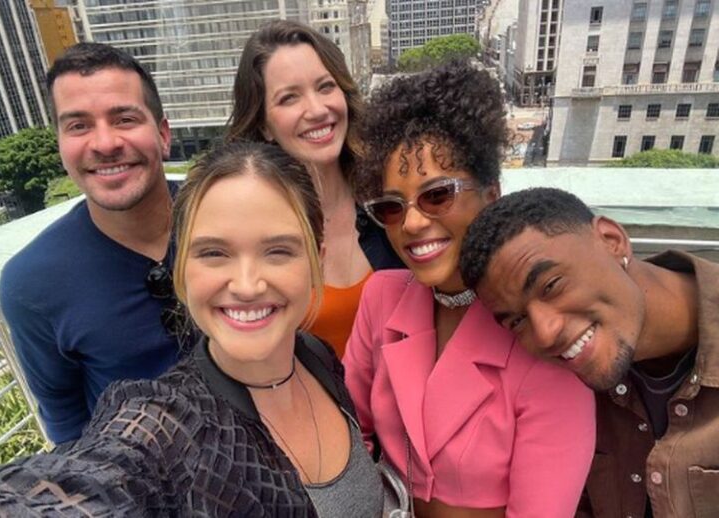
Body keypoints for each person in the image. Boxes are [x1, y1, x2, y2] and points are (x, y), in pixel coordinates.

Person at [0, 141, 385, 517]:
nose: (247, 284)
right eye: (214, 253)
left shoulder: (316, 356)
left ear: (316, 259)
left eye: (278, 251)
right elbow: (96, 478)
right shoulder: (166, 424)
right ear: (181, 268)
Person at [343, 60, 596, 517]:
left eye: (437, 195)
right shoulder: (381, 299)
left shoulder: (544, 333)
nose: (413, 223)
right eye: (392, 207)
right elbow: (346, 435)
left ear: (491, 195)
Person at [460, 187, 719, 518]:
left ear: (612, 241)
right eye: (518, 320)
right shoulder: (561, 390)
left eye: (551, 285)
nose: (545, 333)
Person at [0, 42, 194, 444]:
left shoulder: (227, 216)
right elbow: (67, 423)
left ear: (163, 134)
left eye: (124, 119)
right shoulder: (32, 283)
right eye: (78, 126)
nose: (105, 144)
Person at [226, 19, 402, 357]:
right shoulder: (250, 229)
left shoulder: (390, 198)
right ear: (264, 124)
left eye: (325, 87)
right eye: (289, 98)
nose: (318, 110)